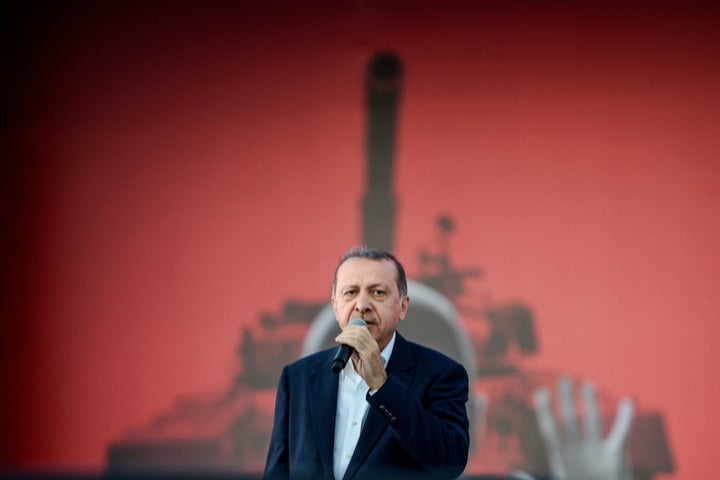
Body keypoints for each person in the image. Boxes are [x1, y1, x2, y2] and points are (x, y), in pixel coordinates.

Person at [264, 246, 470, 480]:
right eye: (350, 292)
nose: (362, 305)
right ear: (335, 305)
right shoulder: (298, 378)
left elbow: (450, 463)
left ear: (403, 306)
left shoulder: (441, 373)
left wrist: (383, 386)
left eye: (378, 293)